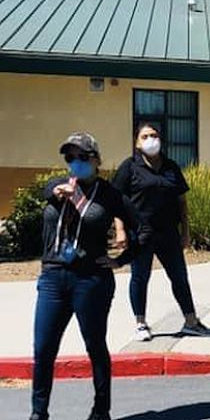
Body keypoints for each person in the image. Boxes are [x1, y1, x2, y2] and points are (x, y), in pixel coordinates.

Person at [31, 133, 150, 420]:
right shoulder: (57, 186)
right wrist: (58, 192)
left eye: (82, 157)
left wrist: (120, 260)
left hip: (91, 280)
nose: (75, 163)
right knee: (44, 348)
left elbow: (144, 230)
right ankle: (38, 413)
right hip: (53, 277)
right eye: (70, 158)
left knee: (94, 345)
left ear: (96, 160)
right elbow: (47, 192)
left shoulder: (109, 195)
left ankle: (101, 410)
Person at [112, 123, 210, 342]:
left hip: (168, 233)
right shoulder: (129, 167)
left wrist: (185, 231)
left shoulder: (171, 167)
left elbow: (181, 202)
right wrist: (120, 230)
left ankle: (191, 321)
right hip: (140, 234)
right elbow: (116, 201)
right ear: (137, 142)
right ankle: (140, 323)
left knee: (179, 277)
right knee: (140, 277)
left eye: (154, 135)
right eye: (145, 136)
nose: (151, 139)